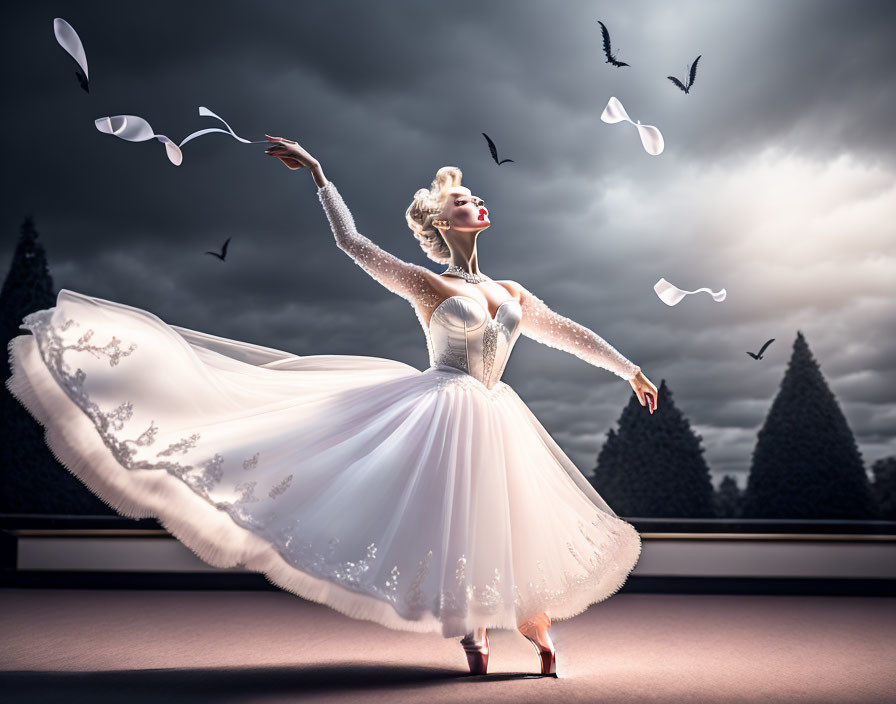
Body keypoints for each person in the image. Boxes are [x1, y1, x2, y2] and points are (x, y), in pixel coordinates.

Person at [5, 134, 658, 679]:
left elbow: (566, 331)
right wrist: (318, 173)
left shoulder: (513, 290)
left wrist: (628, 368)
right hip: (444, 406)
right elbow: (352, 245)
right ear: (439, 222)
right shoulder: (426, 283)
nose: (476, 202)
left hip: (496, 412)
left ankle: (532, 625)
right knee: (461, 521)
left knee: (510, 518)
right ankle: (473, 629)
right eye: (462, 200)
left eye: (476, 197)